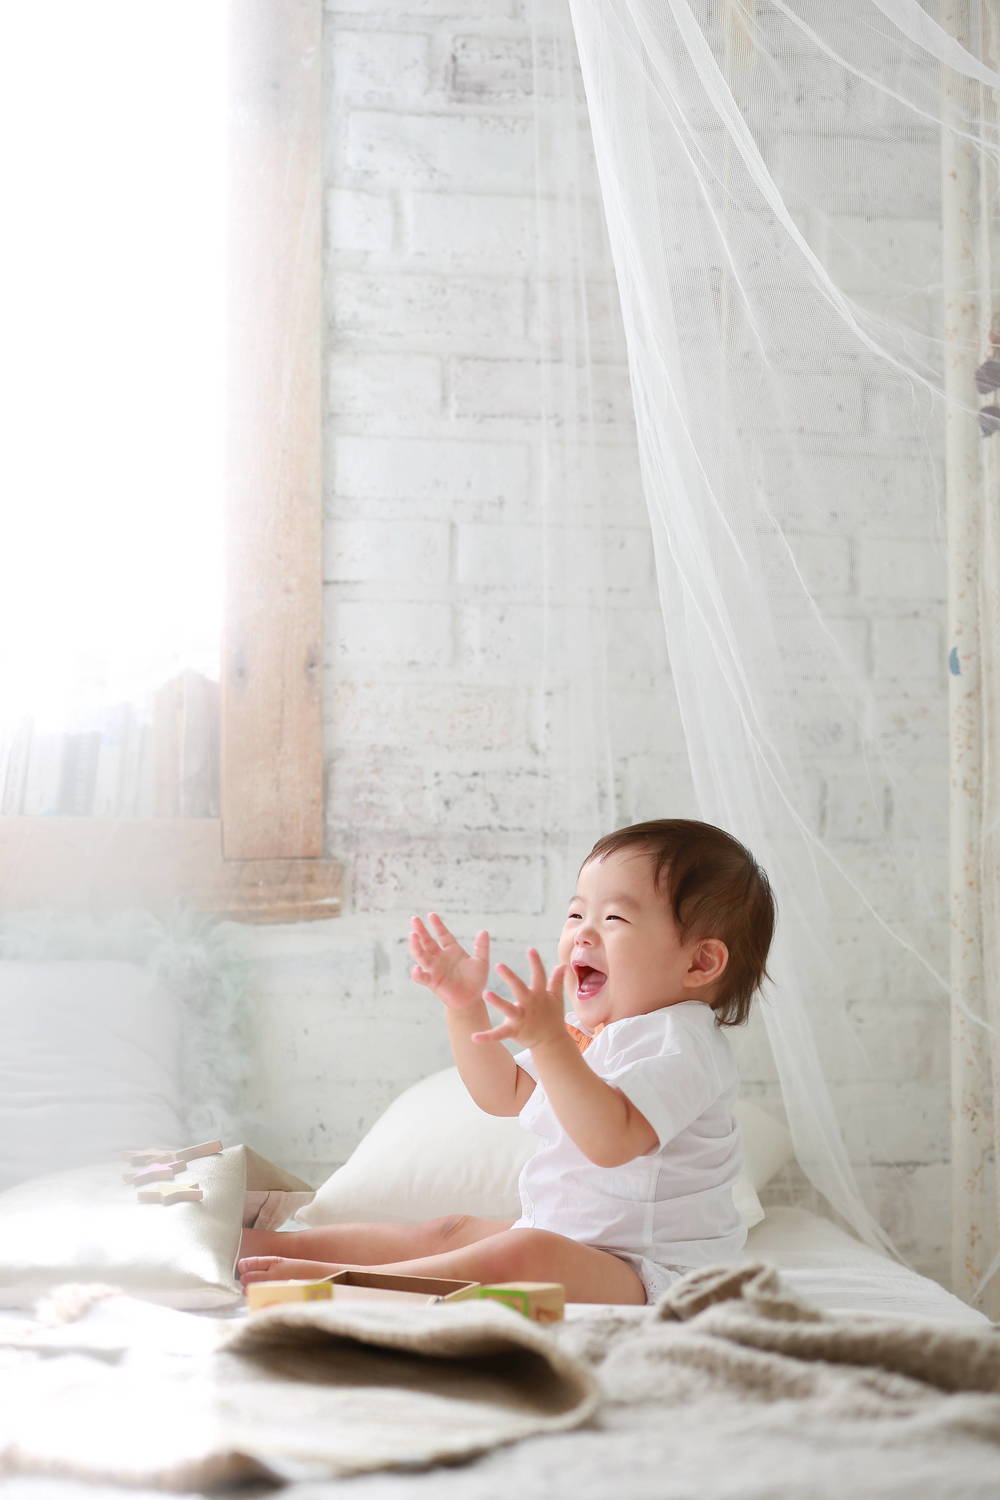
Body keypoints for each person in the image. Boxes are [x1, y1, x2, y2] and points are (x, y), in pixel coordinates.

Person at [238, 818, 776, 1305]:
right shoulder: (591, 1035)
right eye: (576, 913)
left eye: (614, 917)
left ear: (700, 962)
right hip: (566, 1239)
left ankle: (346, 1283)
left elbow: (612, 1141)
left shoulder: (682, 1043)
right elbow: (502, 1093)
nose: (582, 932)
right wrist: (464, 1007)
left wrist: (551, 1043)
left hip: (650, 1270)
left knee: (524, 1256)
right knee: (451, 1230)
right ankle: (262, 1243)